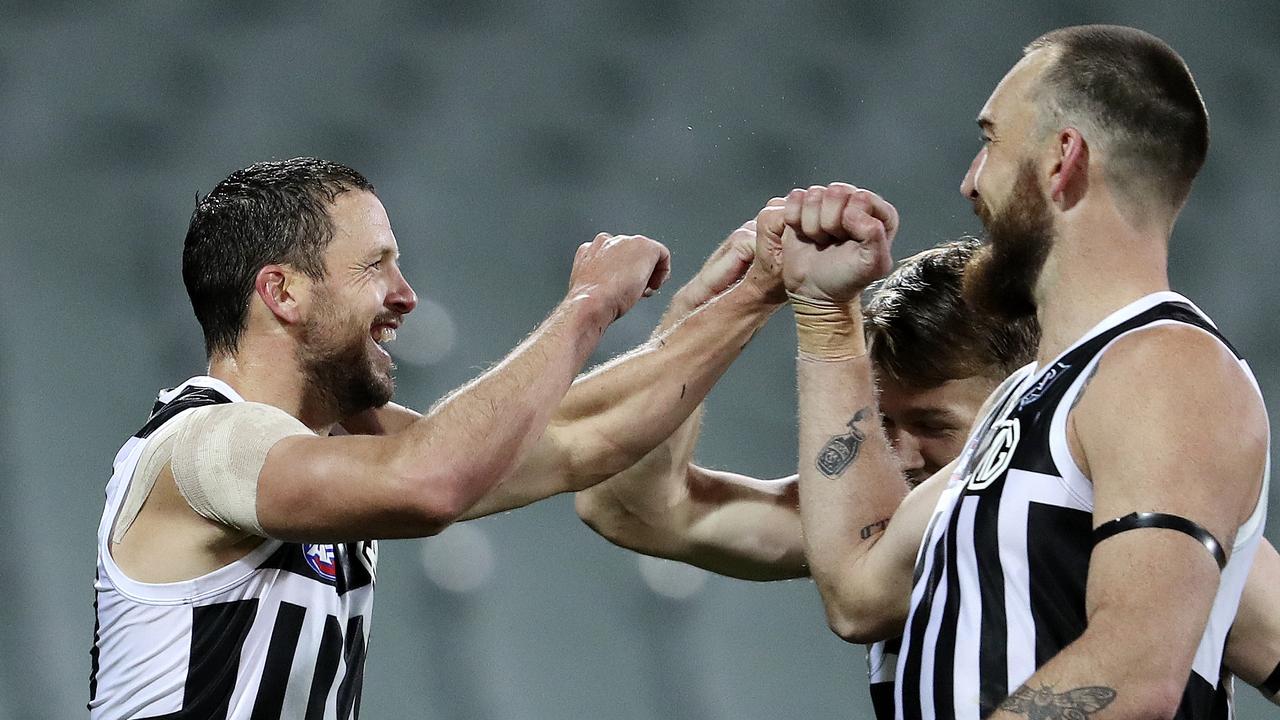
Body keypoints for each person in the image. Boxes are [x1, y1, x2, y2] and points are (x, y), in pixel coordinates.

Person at [88, 157, 787, 719]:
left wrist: (740, 301)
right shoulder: (205, 443)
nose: (405, 294)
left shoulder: (341, 448)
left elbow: (581, 438)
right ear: (284, 293)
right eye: (376, 265)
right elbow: (431, 482)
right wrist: (587, 306)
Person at [779, 25, 1269, 720]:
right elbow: (859, 592)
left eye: (989, 142)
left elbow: (1135, 672)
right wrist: (826, 318)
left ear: (1061, 159)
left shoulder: (1170, 368)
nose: (970, 182)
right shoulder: (1030, 395)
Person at [577, 230, 1280, 713]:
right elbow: (633, 506)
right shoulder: (880, 521)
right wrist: (713, 313)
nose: (902, 455)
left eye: (934, 426)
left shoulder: (1149, 518)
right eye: (883, 424)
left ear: (1026, 399)